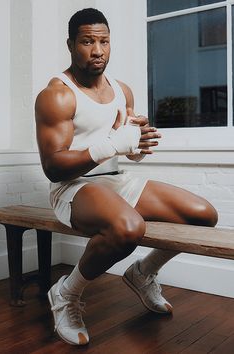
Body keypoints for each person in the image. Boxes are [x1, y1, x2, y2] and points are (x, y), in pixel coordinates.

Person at [35, 8, 218, 346]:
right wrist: (110, 146)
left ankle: (143, 273)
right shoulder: (57, 94)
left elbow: (122, 146)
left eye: (104, 41)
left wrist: (134, 147)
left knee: (203, 214)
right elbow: (53, 167)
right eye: (87, 41)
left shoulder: (122, 90)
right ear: (71, 44)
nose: (97, 50)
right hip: (73, 188)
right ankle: (66, 294)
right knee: (129, 227)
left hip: (114, 181)